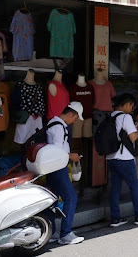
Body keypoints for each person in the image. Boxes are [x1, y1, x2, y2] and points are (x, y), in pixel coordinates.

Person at [107, 93, 138, 227]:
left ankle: (115, 218)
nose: (132, 109)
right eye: (131, 106)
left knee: (115, 188)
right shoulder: (125, 117)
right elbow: (133, 137)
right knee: (134, 185)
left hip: (111, 157)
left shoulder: (111, 116)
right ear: (127, 104)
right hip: (124, 157)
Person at [47, 102, 84, 245]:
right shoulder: (59, 127)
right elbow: (57, 149)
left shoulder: (53, 123)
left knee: (53, 200)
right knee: (71, 197)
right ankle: (66, 233)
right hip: (57, 167)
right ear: (70, 114)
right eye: (75, 118)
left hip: (52, 167)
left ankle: (51, 233)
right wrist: (71, 156)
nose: (74, 121)